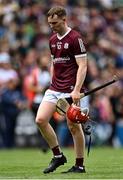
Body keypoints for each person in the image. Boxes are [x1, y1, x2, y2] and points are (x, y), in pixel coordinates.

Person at [35, 6, 88, 173]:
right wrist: (52, 80)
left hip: (71, 89)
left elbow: (83, 65)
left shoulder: (75, 38)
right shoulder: (52, 40)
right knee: (41, 120)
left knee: (73, 126)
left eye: (55, 23)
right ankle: (58, 156)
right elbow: (54, 63)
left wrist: (77, 89)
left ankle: (79, 165)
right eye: (50, 23)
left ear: (64, 20)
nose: (52, 26)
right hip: (55, 88)